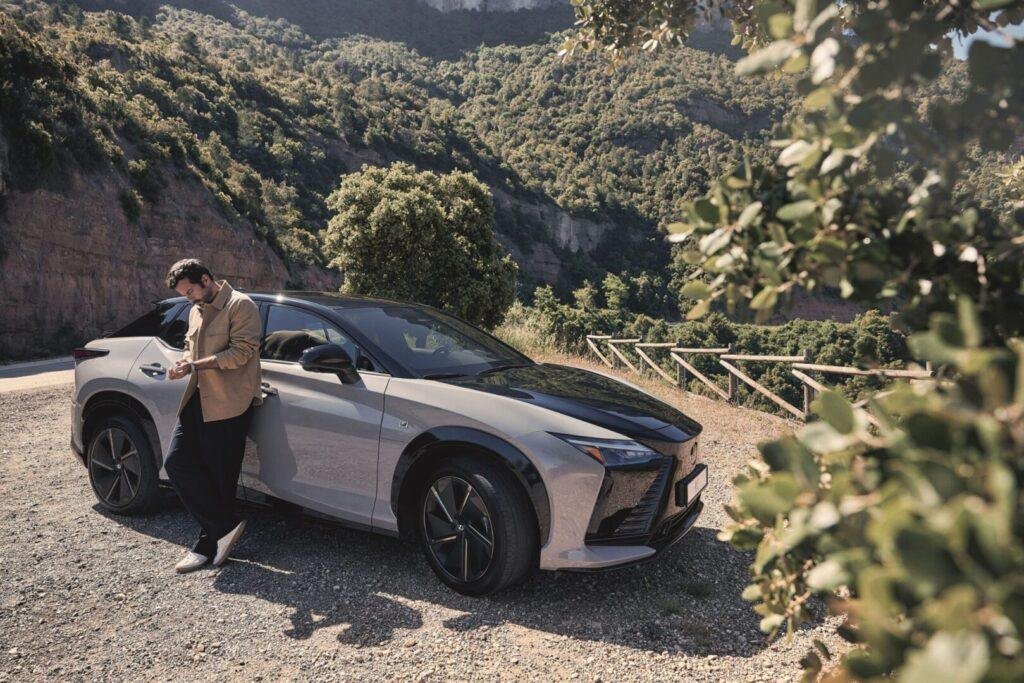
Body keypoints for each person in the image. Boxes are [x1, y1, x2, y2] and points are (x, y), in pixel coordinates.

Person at [162, 258, 262, 573]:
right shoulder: (196, 310)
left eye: (190, 291)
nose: (188, 298)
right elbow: (191, 348)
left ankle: (207, 544)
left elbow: (241, 353)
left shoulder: (241, 305)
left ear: (205, 279)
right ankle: (224, 528)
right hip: (198, 397)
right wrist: (184, 363)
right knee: (176, 462)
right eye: (184, 294)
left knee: (220, 478)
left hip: (230, 401)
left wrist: (194, 365)